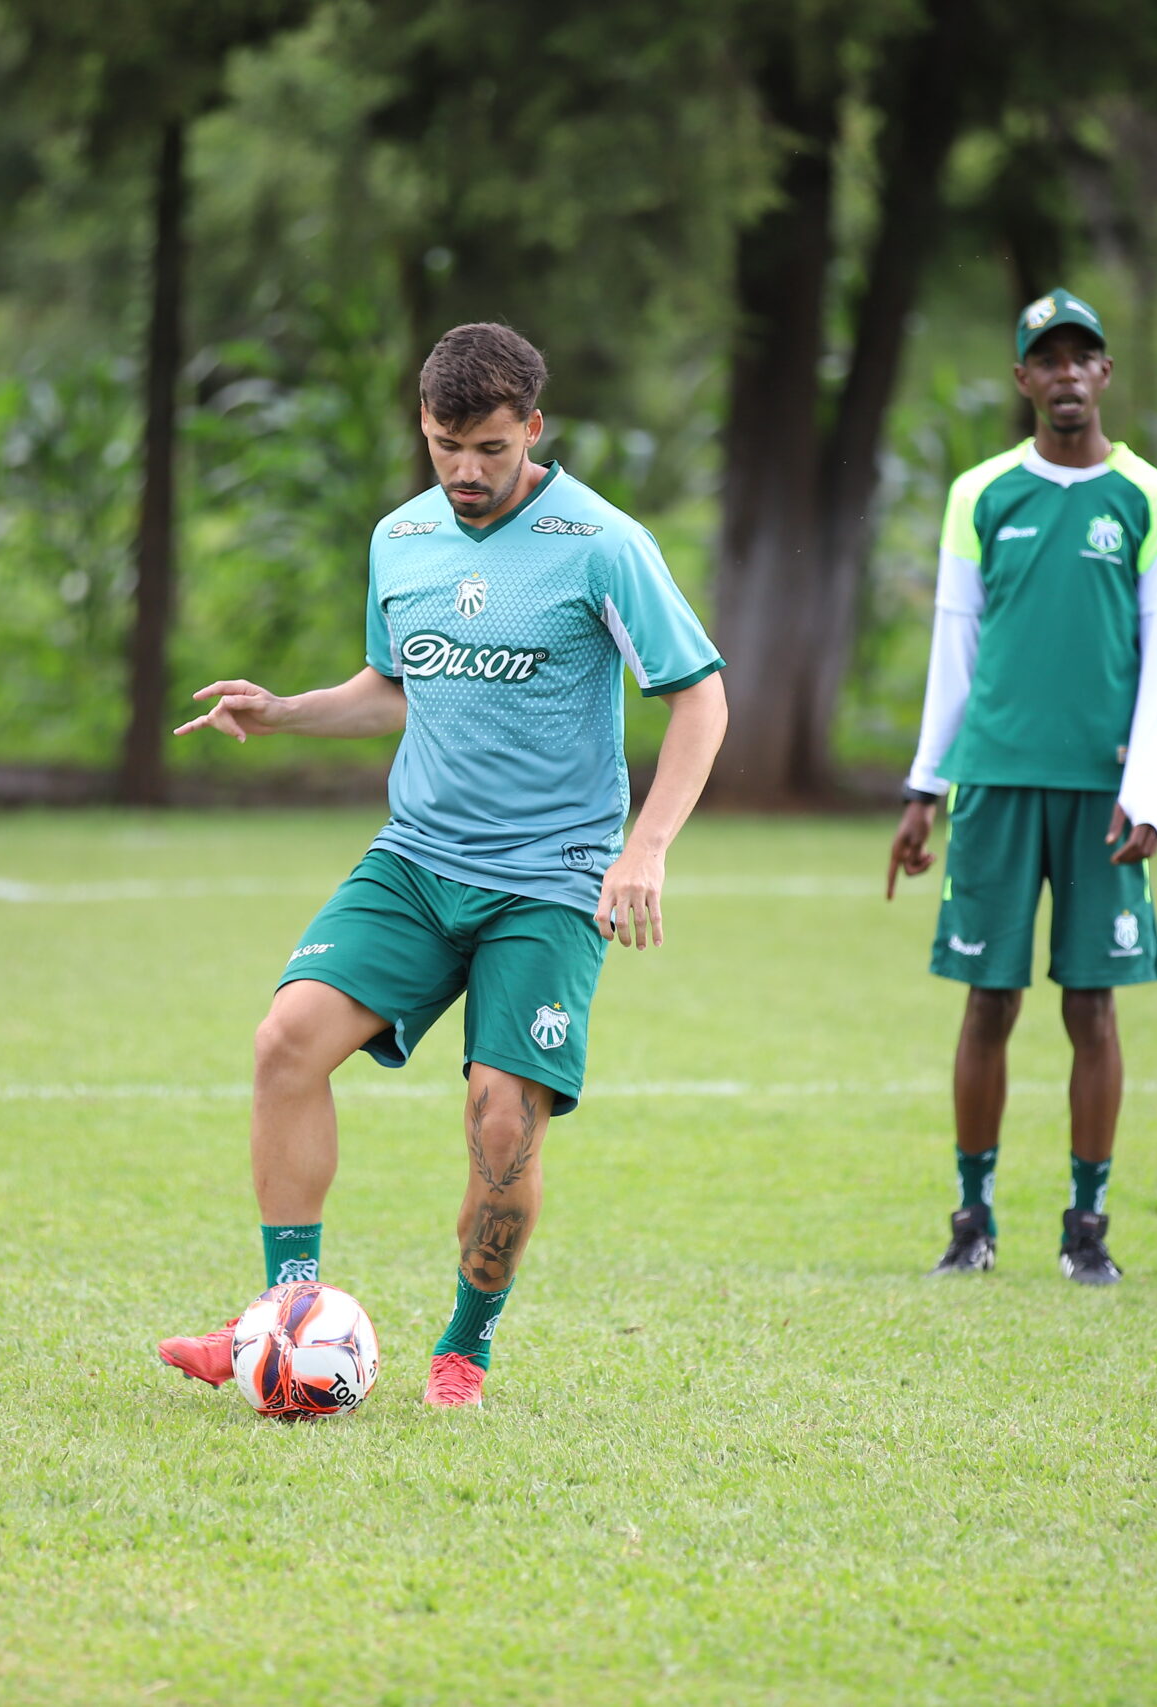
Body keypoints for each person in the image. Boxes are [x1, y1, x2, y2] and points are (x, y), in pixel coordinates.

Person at [158, 322, 728, 1408]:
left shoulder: (602, 544)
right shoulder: (401, 539)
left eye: (490, 449)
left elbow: (699, 693)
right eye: (443, 446)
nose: (465, 472)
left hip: (551, 877)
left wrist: (643, 849)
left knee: (501, 1118)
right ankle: (288, 1317)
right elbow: (394, 686)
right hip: (418, 857)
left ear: (534, 431)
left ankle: (463, 1348)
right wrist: (280, 712)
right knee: (285, 1041)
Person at [883, 287, 1157, 1287]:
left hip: (1098, 794)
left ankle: (1085, 1227)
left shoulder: (1150, 498)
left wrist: (1146, 793)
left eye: (1081, 357)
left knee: (1092, 1008)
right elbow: (954, 651)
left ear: (1104, 373)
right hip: (998, 785)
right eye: (1045, 359)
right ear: (1021, 378)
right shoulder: (981, 495)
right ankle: (971, 1221)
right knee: (988, 1002)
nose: (1065, 374)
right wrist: (924, 789)